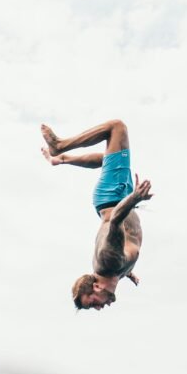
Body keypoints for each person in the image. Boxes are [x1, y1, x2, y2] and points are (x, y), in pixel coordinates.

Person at [41, 119, 153, 310]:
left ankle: (59, 146)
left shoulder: (109, 261)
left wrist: (135, 198)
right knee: (108, 158)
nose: (100, 307)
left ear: (96, 286)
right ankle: (60, 160)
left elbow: (116, 219)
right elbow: (120, 250)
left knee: (117, 128)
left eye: (93, 303)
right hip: (116, 197)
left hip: (115, 195)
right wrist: (128, 272)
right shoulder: (114, 270)